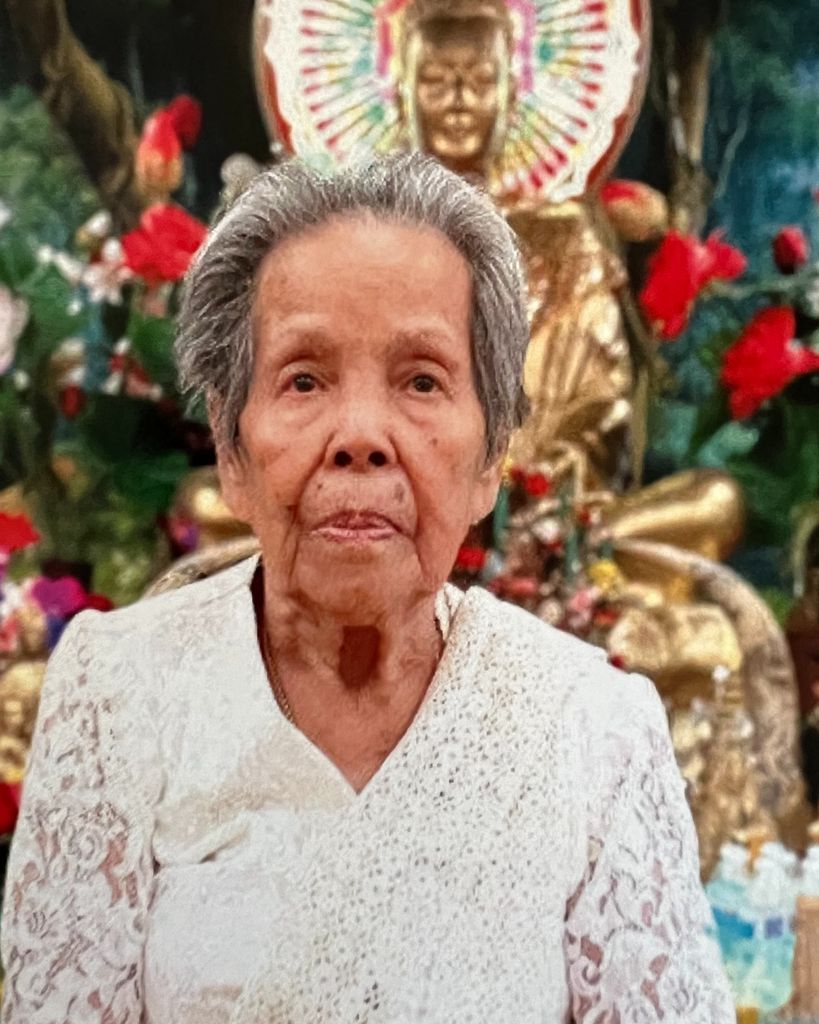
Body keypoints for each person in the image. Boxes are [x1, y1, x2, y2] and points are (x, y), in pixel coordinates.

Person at [1, 154, 734, 1023]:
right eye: (303, 380)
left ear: (491, 455)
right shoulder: (118, 693)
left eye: (421, 380)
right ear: (230, 451)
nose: (360, 435)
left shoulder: (595, 728)